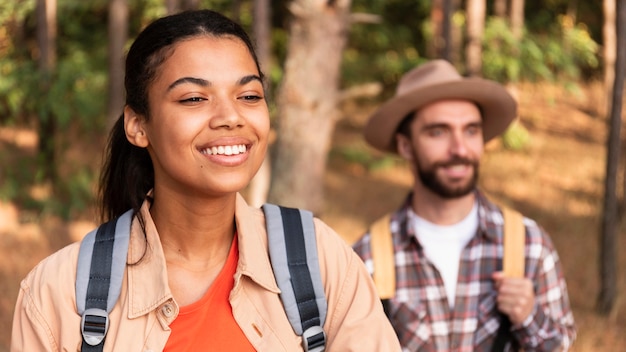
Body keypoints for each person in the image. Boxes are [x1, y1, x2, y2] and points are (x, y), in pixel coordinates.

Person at [11, 9, 401, 351]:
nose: (230, 116)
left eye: (249, 95)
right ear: (137, 125)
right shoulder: (59, 293)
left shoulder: (318, 262)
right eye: (194, 99)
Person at [351, 59, 576, 351]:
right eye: (438, 132)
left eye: (470, 131)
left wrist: (529, 315)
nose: (459, 149)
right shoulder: (367, 259)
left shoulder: (529, 246)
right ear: (405, 145)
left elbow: (561, 345)